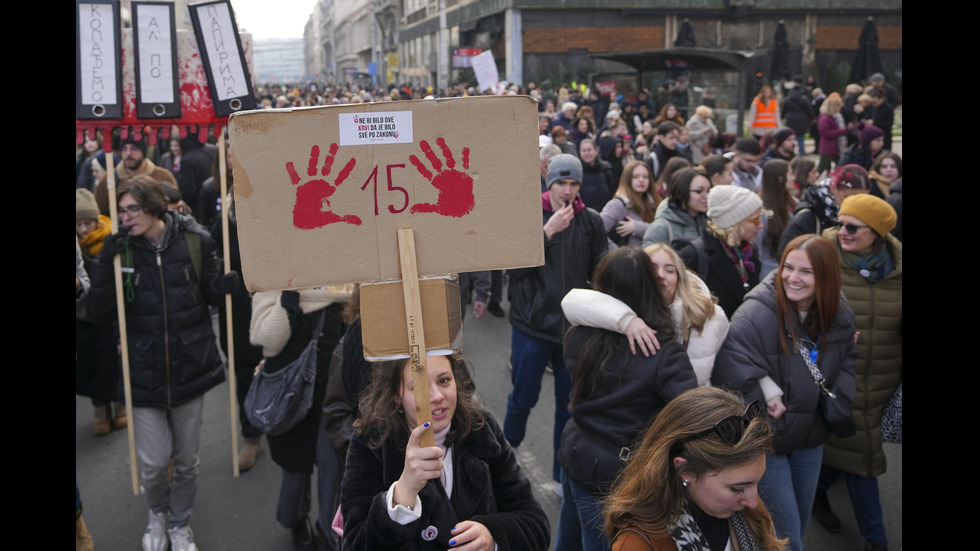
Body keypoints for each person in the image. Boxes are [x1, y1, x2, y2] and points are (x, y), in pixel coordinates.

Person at [86, 175, 235, 551]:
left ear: (153, 207)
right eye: (120, 211)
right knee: (153, 465)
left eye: (131, 209)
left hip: (191, 364)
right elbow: (101, 312)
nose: (125, 217)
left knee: (186, 462)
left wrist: (229, 285)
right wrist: (105, 262)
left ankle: (181, 524)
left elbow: (210, 294)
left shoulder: (195, 240)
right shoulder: (120, 251)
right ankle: (158, 513)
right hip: (142, 370)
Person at [713, 234, 857, 551]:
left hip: (811, 438)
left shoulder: (840, 315)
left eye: (806, 271)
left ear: (826, 277)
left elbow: (849, 360)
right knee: (786, 535)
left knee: (798, 526)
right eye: (787, 268)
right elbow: (730, 369)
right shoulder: (755, 313)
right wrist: (766, 395)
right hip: (769, 443)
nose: (793, 278)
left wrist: (841, 397)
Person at [555, 247, 697, 551]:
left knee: (566, 538)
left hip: (575, 449)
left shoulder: (580, 331)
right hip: (614, 474)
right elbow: (691, 414)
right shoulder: (662, 352)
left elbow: (575, 302)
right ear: (650, 285)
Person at [340, 353, 551, 551]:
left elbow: (536, 525)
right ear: (397, 394)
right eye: (419, 386)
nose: (437, 396)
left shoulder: (482, 430)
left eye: (444, 381)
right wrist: (403, 492)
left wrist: (493, 536)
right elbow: (355, 543)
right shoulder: (371, 444)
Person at [504, 153, 608, 495]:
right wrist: (546, 234)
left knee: (569, 405)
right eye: (562, 182)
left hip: (573, 330)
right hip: (531, 326)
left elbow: (600, 273)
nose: (568, 190)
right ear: (550, 183)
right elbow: (513, 271)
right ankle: (508, 452)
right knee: (523, 397)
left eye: (573, 183)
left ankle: (560, 474)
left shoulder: (590, 220)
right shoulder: (529, 214)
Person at [814, 195, 901, 551]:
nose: (842, 232)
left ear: (877, 233)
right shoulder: (822, 257)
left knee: (848, 453)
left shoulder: (897, 267)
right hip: (838, 377)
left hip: (883, 380)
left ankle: (815, 488)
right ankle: (876, 541)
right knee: (863, 455)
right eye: (840, 223)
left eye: (853, 227)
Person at [604, 386, 785, 551]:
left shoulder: (746, 511)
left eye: (756, 483)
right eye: (737, 489)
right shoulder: (637, 545)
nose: (754, 502)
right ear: (684, 470)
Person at [250, 286, 350, 551]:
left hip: (332, 395)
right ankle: (295, 520)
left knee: (333, 465)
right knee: (295, 469)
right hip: (290, 397)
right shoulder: (272, 281)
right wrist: (287, 302)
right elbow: (268, 340)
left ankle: (330, 528)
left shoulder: (344, 284)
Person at [562, 243, 728, 388]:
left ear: (680, 277)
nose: (660, 275)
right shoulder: (628, 310)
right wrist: (626, 320)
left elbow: (725, 374)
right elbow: (572, 302)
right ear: (640, 276)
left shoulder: (712, 315)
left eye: (670, 270)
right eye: (652, 268)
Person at [76, 188, 126, 435]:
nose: (83, 230)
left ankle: (119, 405)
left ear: (96, 220)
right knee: (89, 365)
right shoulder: (78, 250)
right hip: (83, 316)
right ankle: (100, 409)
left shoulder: (110, 240)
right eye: (78, 224)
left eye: (87, 223)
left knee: (113, 363)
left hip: (108, 314)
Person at [676, 185, 764, 318]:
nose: (761, 225)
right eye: (755, 220)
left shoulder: (749, 251)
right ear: (735, 222)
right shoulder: (694, 255)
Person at [777, 164, 871, 257]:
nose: (855, 203)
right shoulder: (809, 215)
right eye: (847, 197)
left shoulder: (866, 213)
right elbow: (785, 254)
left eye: (862, 198)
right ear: (833, 188)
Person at [93, 137, 180, 217]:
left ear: (143, 151)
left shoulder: (163, 176)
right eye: (124, 149)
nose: (128, 153)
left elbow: (176, 206)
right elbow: (99, 213)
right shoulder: (109, 179)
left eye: (134, 148)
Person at [642, 167, 709, 247]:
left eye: (708, 190)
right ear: (680, 193)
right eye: (699, 191)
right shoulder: (661, 228)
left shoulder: (711, 223)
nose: (706, 196)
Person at [600, 160, 659, 249]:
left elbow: (663, 231)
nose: (641, 180)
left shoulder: (653, 204)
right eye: (635, 177)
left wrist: (637, 227)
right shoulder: (617, 205)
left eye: (645, 177)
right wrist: (618, 254)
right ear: (627, 179)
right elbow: (598, 231)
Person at [758, 159, 797, 277]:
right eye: (790, 173)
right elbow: (756, 250)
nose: (794, 177)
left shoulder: (791, 203)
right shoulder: (761, 211)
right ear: (780, 179)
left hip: (789, 271)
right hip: (768, 275)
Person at [578, 138, 617, 211]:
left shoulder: (605, 168)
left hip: (606, 211)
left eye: (589, 150)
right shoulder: (578, 171)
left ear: (596, 151)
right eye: (583, 151)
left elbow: (613, 189)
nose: (586, 153)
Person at [816, 95, 851, 175]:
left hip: (833, 147)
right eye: (838, 106)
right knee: (822, 168)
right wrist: (841, 131)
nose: (840, 108)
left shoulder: (831, 117)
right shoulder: (825, 118)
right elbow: (825, 133)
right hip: (828, 148)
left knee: (838, 166)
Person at [781, 77, 815, 156]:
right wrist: (812, 118)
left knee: (790, 137)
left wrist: (781, 117)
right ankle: (801, 151)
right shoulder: (803, 98)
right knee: (800, 136)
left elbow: (784, 110)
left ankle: (791, 151)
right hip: (801, 119)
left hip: (790, 119)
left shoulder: (788, 99)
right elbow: (808, 109)